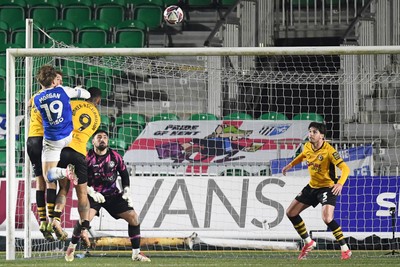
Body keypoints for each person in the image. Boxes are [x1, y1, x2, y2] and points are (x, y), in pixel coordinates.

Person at [66, 129, 150, 262]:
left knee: (134, 218)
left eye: (105, 137)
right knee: (84, 221)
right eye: (99, 137)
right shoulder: (86, 158)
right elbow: (79, 180)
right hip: (94, 195)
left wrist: (126, 189)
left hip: (112, 195)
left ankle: (136, 253)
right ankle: (71, 247)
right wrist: (91, 192)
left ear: (108, 141)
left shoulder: (115, 156)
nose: (102, 139)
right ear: (93, 141)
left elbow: (124, 174)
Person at [281, 122, 352, 260]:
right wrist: (290, 165)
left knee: (327, 218)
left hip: (327, 187)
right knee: (291, 212)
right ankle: (308, 242)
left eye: (314, 132)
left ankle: (345, 248)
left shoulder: (329, 151)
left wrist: (340, 184)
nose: (311, 134)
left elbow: (345, 169)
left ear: (322, 136)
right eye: (310, 131)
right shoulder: (308, 146)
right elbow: (303, 156)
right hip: (312, 187)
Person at [46, 87, 103, 247]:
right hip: (79, 154)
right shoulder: (97, 117)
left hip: (62, 150)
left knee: (63, 189)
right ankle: (84, 229)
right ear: (97, 100)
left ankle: (56, 220)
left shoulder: (72, 103)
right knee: (82, 194)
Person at [32, 65, 90, 187]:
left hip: (53, 141)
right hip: (69, 136)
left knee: (47, 176)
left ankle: (65, 172)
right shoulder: (63, 90)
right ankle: (67, 170)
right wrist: (76, 90)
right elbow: (87, 95)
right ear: (54, 81)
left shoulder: (37, 99)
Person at [27, 70, 64, 241]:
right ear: (52, 81)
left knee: (39, 182)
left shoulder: (35, 96)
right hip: (45, 140)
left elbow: (29, 105)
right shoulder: (56, 95)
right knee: (51, 182)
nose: (60, 82)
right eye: (58, 79)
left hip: (31, 140)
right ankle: (51, 221)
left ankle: (42, 222)